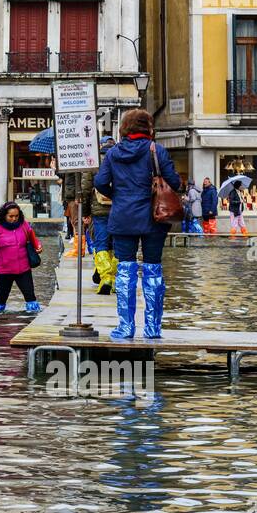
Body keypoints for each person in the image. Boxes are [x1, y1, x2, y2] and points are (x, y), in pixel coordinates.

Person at [93, 108, 181, 340]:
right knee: (153, 270)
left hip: (123, 217)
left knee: (125, 269)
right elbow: (175, 182)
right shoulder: (157, 150)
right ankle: (152, 329)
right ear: (149, 128)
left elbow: (100, 182)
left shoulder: (112, 154)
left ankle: (125, 327)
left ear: (124, 129)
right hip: (154, 218)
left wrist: (118, 196)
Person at [0, 200, 42, 313]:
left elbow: (33, 238)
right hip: (4, 271)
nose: (14, 219)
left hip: (24, 270)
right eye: (11, 216)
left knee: (31, 299)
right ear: (4, 215)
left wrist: (38, 246)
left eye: (17, 216)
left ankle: (30, 321)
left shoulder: (24, 225)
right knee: (0, 302)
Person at [82, 137, 116, 294]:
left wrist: (86, 212)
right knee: (117, 245)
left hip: (99, 209)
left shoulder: (92, 162)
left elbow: (86, 189)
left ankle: (106, 277)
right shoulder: (120, 160)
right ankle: (115, 280)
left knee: (100, 243)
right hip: (119, 209)